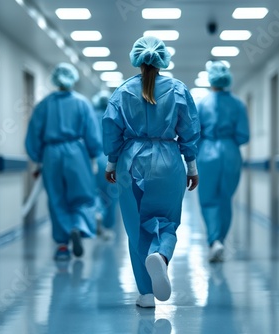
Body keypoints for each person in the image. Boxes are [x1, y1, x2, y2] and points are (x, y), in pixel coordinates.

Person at [102, 36, 200, 308]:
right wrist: (191, 166)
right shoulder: (178, 89)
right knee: (167, 221)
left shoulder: (122, 92)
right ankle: (161, 254)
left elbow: (112, 129)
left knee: (136, 228)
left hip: (130, 162)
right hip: (169, 160)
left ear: (137, 59)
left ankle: (146, 294)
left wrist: (112, 163)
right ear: (162, 60)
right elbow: (189, 131)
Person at [25, 63, 102, 261]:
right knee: (83, 197)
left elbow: (33, 137)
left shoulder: (43, 105)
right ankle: (77, 226)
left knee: (56, 199)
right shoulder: (82, 103)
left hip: (51, 154)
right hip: (77, 153)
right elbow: (92, 136)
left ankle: (61, 245)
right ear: (73, 79)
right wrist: (93, 155)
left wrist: (38, 160)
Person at [196, 61, 250, 262]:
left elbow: (195, 134)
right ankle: (220, 239)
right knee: (225, 199)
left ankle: (213, 242)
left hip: (207, 153)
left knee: (208, 199)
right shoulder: (238, 104)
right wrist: (228, 140)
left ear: (211, 80)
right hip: (230, 154)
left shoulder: (202, 103)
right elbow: (244, 136)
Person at [92, 90, 118, 240]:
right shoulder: (113, 117)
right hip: (111, 161)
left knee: (94, 193)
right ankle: (107, 228)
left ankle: (97, 212)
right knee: (110, 195)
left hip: (93, 161)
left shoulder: (91, 116)